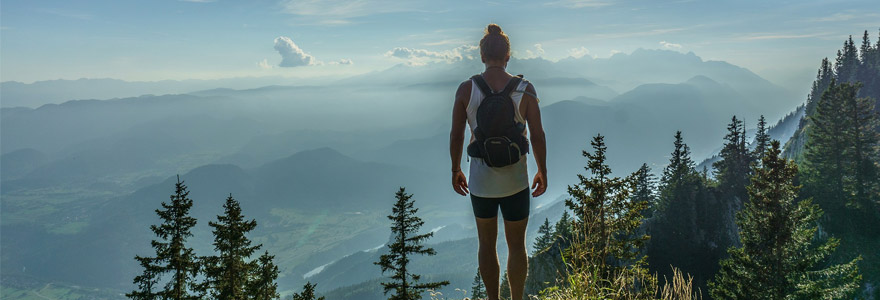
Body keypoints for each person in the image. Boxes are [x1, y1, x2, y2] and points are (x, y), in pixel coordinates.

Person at [449, 23, 547, 300]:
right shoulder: (525, 89)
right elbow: (538, 135)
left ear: (482, 56)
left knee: (486, 244)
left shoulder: (466, 89)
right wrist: (542, 170)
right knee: (517, 246)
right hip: (516, 180)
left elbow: (457, 135)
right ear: (508, 56)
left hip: (481, 181)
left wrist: (456, 169)